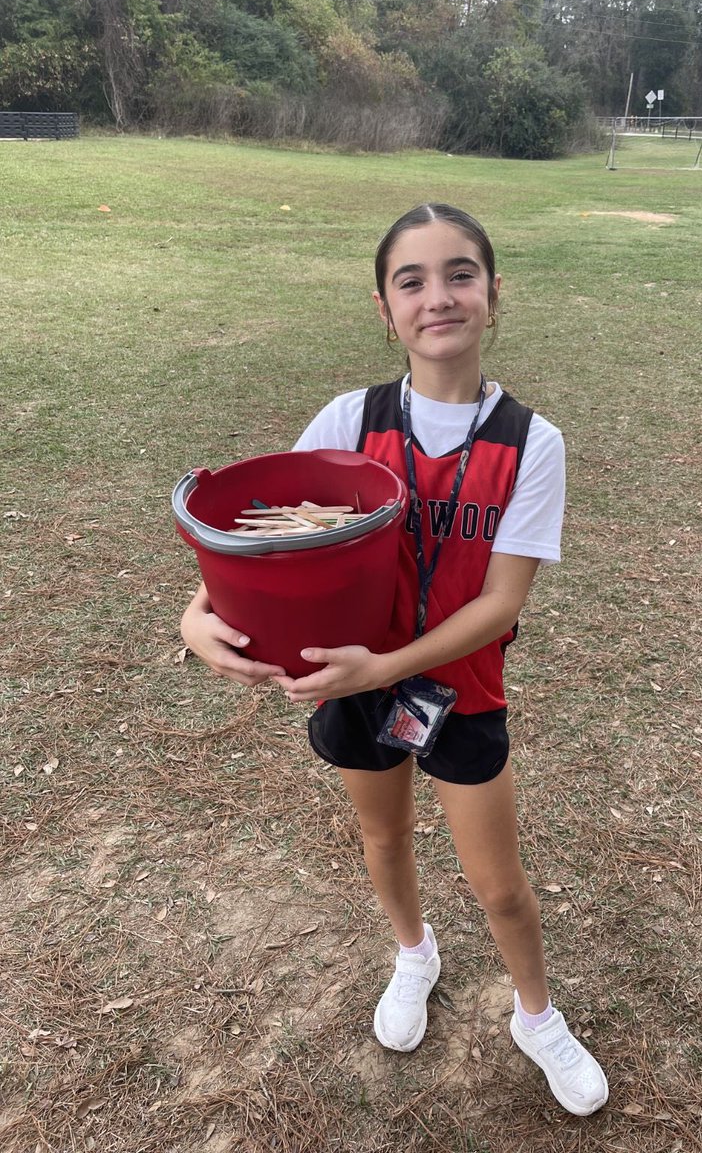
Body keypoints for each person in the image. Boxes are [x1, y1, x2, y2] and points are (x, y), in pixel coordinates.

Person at [180, 203, 609, 1117]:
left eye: (460, 274)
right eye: (410, 281)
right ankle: (414, 953)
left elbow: (501, 603)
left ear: (495, 294)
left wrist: (387, 667)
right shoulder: (348, 418)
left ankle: (536, 1016)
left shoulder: (534, 443)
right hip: (351, 682)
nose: (438, 296)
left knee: (499, 888)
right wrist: (194, 613)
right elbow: (261, 541)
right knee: (383, 838)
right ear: (384, 308)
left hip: (459, 690)